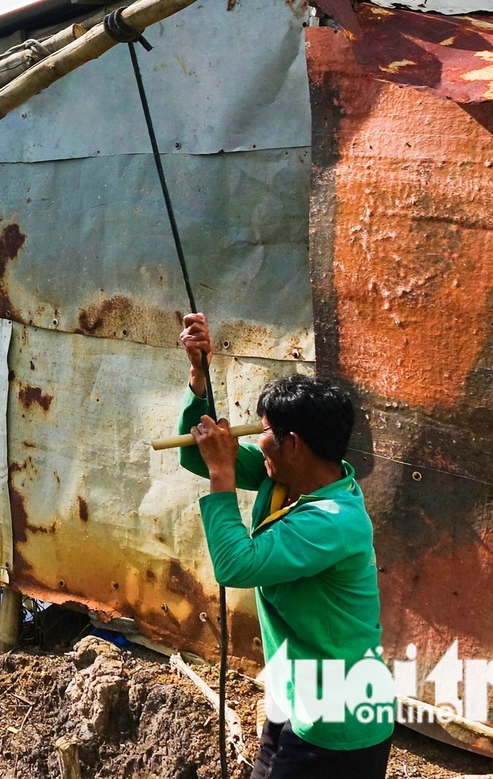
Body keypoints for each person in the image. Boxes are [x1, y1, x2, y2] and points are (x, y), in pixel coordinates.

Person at [178, 312, 393, 779]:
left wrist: (223, 473)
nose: (256, 440)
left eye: (265, 431)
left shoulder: (334, 522)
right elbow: (197, 456)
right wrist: (199, 376)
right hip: (294, 694)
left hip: (339, 724)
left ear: (292, 443)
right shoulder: (288, 478)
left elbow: (236, 564)